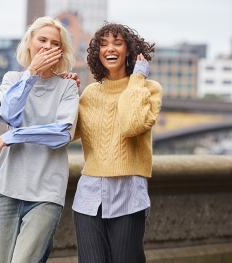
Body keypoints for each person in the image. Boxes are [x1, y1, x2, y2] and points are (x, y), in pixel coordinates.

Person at [65, 22, 162, 262]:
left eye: (118, 43)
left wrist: (137, 78)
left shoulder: (148, 89)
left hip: (128, 193)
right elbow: (65, 133)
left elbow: (131, 125)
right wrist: (63, 90)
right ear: (97, 52)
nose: (111, 48)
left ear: (128, 50)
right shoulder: (90, 93)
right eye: (104, 44)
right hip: (89, 196)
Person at [0, 16, 79, 263]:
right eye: (42, 40)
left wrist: (14, 135)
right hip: (9, 187)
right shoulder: (12, 80)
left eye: (54, 43)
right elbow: (8, 114)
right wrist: (31, 74)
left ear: (61, 51)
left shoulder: (68, 87)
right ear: (29, 43)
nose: (47, 46)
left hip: (47, 192)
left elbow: (62, 134)